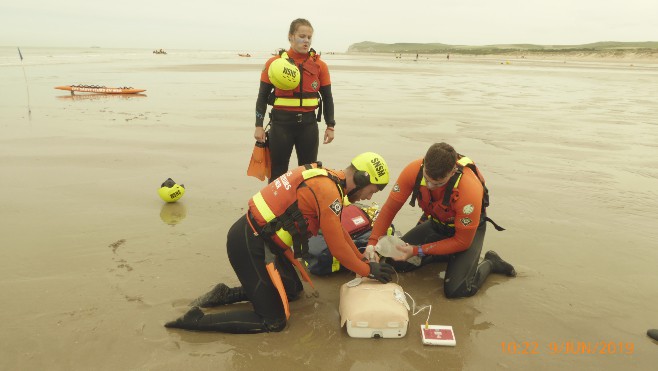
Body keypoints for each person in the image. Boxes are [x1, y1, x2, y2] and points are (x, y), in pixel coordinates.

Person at [165, 153, 395, 333]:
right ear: (363, 178)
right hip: (249, 244)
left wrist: (362, 257)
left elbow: (340, 233)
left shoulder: (328, 179)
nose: (368, 198)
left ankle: (225, 294)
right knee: (274, 322)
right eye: (371, 191)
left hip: (264, 242)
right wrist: (368, 270)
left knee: (293, 291)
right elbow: (337, 249)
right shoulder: (329, 192)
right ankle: (196, 320)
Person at [366, 142, 516, 298]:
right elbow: (389, 209)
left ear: (452, 172)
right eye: (427, 180)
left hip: (466, 234)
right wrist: (372, 243)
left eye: (438, 183)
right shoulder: (413, 170)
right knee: (396, 263)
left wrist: (416, 250)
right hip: (436, 224)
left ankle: (491, 262)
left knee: (457, 290)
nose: (430, 186)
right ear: (424, 164)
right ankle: (445, 255)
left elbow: (461, 242)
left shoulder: (469, 190)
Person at [253, 18, 336, 183]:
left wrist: (330, 125)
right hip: (281, 126)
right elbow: (262, 96)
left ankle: (303, 208)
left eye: (309, 37)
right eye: (302, 36)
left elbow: (327, 97)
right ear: (291, 37)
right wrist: (258, 126)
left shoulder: (320, 65)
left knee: (309, 174)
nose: (306, 41)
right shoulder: (274, 64)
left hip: (308, 126)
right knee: (277, 173)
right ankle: (275, 208)